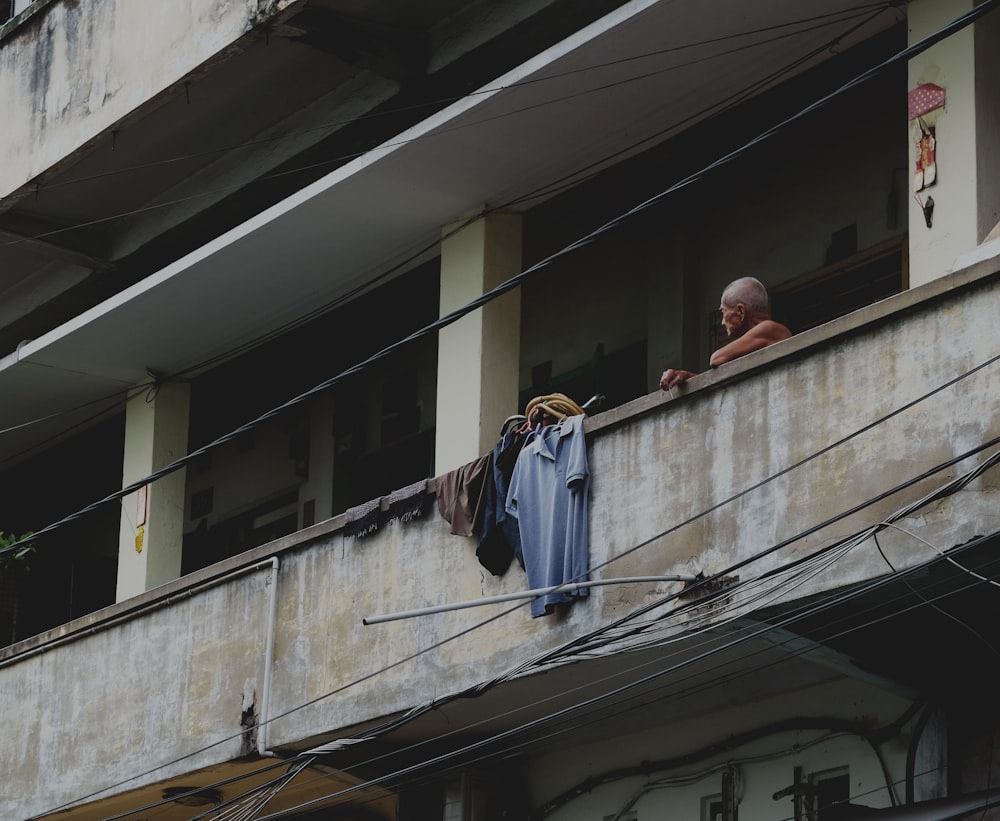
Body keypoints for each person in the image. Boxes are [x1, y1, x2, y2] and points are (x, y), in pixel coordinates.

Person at [660, 277, 791, 391]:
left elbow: (716, 359)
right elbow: (719, 383)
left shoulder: (769, 328)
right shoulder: (755, 344)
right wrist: (687, 378)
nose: (722, 322)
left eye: (724, 312)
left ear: (740, 311)